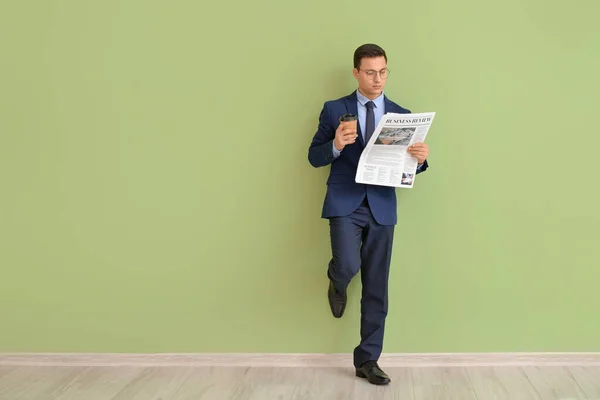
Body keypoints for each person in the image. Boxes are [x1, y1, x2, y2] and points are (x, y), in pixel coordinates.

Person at [307, 43, 430, 385]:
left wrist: (420, 160)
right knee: (347, 264)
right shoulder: (334, 110)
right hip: (345, 201)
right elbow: (314, 157)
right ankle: (337, 280)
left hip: (381, 206)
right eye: (371, 72)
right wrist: (335, 145)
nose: (379, 79)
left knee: (377, 285)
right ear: (357, 73)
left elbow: (409, 168)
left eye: (384, 71)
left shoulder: (401, 114)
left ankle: (368, 360)